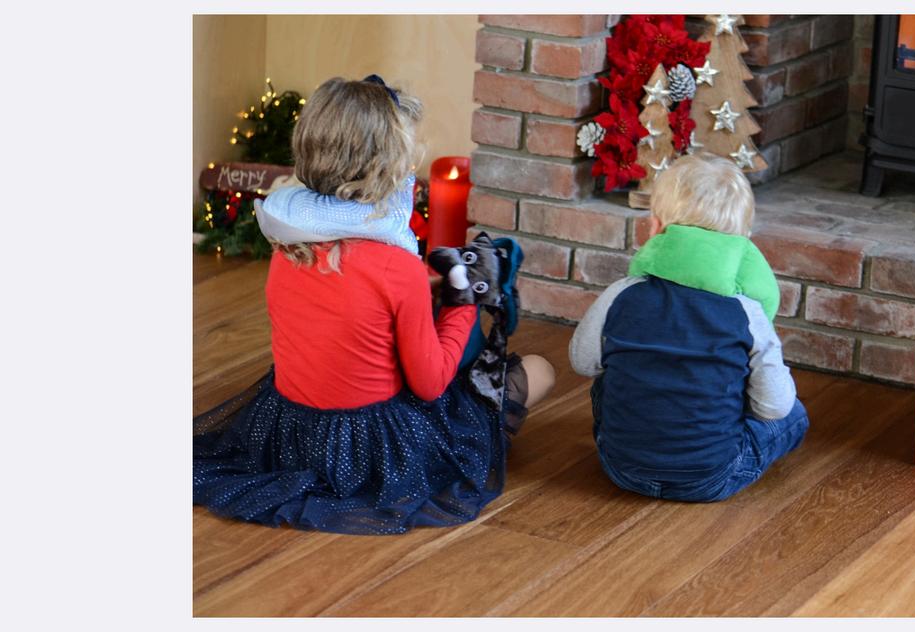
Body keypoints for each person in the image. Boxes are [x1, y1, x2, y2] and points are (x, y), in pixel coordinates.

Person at [193, 76, 554, 535]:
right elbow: (429, 384)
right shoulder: (395, 267)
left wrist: (422, 289)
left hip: (291, 436)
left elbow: (352, 302)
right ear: (389, 169)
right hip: (371, 450)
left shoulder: (287, 247)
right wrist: (464, 298)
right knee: (540, 371)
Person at [568, 153, 808, 502]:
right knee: (794, 414)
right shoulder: (747, 313)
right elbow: (773, 407)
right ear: (743, 243)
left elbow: (582, 362)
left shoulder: (622, 293)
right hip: (710, 477)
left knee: (608, 375)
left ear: (655, 227)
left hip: (621, 466)